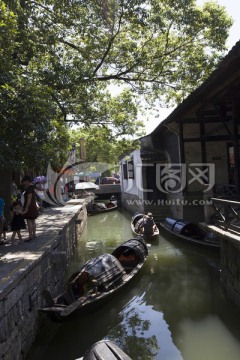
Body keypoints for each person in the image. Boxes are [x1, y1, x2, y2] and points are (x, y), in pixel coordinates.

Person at [21, 175, 39, 241]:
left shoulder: (29, 189)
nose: (24, 183)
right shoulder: (32, 187)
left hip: (30, 207)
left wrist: (26, 208)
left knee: (29, 221)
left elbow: (29, 199)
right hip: (33, 206)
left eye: (24, 181)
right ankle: (34, 235)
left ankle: (30, 236)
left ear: (27, 181)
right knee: (33, 221)